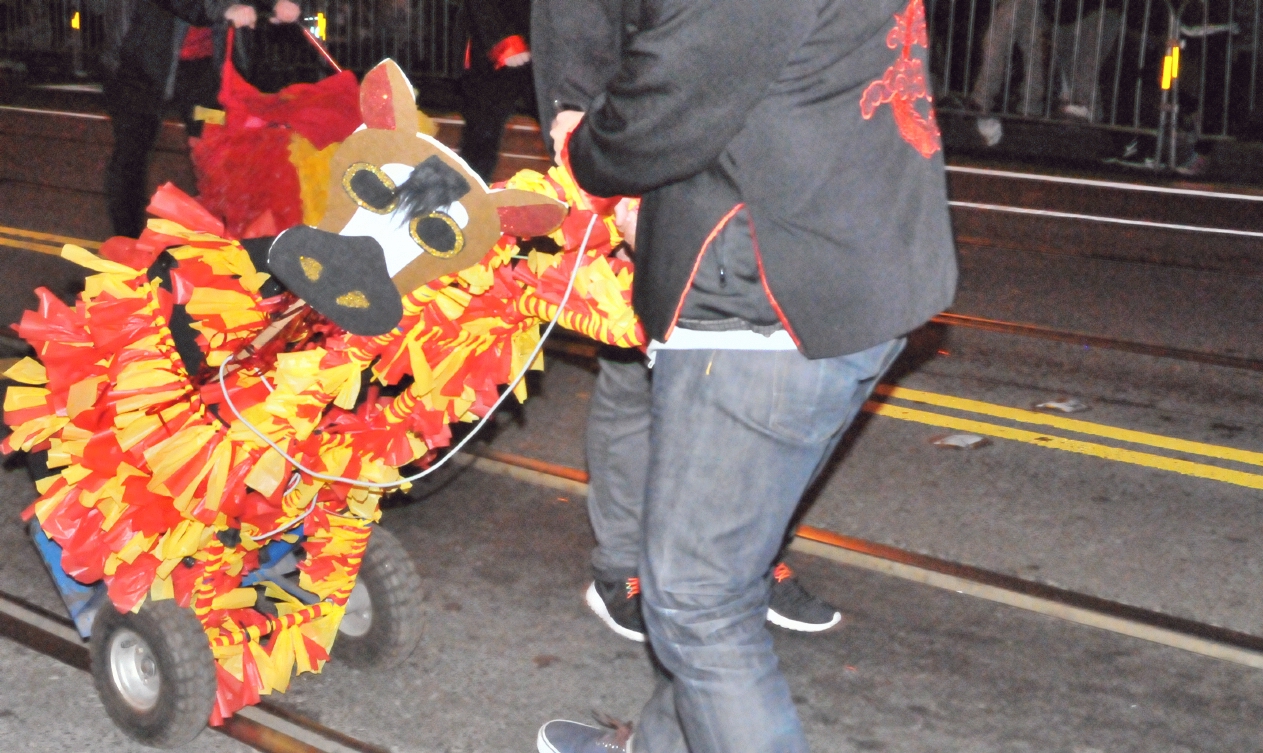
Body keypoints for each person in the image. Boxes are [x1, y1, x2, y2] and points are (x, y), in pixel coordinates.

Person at [533, 0, 957, 749]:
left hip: (767, 298)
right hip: (857, 262)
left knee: (696, 604)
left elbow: (661, 101)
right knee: (712, 579)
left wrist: (584, 146)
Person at [531, 0, 845, 646]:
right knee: (634, 375)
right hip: (632, 149)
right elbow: (578, 42)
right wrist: (603, 183)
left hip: (727, 161)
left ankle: (740, 558)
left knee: (752, 390)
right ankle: (622, 567)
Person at [101, 0, 301, 239]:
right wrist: (225, 9)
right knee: (132, 152)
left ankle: (212, 238)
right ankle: (126, 240)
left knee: (213, 152)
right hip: (140, 64)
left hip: (201, 68)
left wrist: (276, 5)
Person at [458, 0, 534, 182]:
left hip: (550, 40)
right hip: (499, 46)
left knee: (569, 130)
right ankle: (467, 199)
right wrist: (503, 40)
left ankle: (591, 203)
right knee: (481, 137)